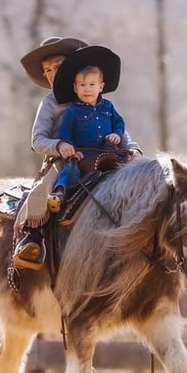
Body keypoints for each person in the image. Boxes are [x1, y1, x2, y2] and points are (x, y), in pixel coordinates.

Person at [12, 37, 142, 271]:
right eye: (47, 70)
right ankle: (32, 240)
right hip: (65, 159)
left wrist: (132, 149)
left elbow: (120, 131)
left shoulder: (100, 100)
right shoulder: (50, 103)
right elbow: (37, 140)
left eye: (58, 67)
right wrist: (60, 146)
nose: (52, 74)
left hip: (105, 156)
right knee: (42, 191)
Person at [46, 46, 128, 213]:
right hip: (83, 153)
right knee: (71, 170)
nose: (87, 89)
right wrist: (69, 148)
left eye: (92, 84)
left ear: (101, 86)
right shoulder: (72, 111)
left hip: (108, 150)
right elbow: (66, 131)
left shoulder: (108, 106)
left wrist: (117, 135)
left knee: (128, 168)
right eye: (82, 85)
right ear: (75, 88)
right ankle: (59, 193)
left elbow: (119, 123)